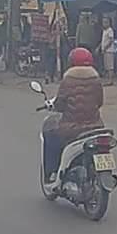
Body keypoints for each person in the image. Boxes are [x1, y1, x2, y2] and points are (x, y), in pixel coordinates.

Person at [43, 47, 105, 183]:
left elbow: (60, 104)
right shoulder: (96, 80)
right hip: (96, 127)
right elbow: (100, 102)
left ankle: (52, 173)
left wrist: (54, 106)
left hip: (72, 128)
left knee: (49, 134)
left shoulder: (68, 80)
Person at [98, 16, 117, 86]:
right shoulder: (104, 31)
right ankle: (108, 80)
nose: (104, 24)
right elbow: (103, 41)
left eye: (106, 22)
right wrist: (99, 47)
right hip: (105, 51)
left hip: (109, 51)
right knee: (106, 66)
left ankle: (110, 80)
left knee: (110, 66)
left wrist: (105, 48)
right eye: (103, 22)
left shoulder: (110, 30)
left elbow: (111, 40)